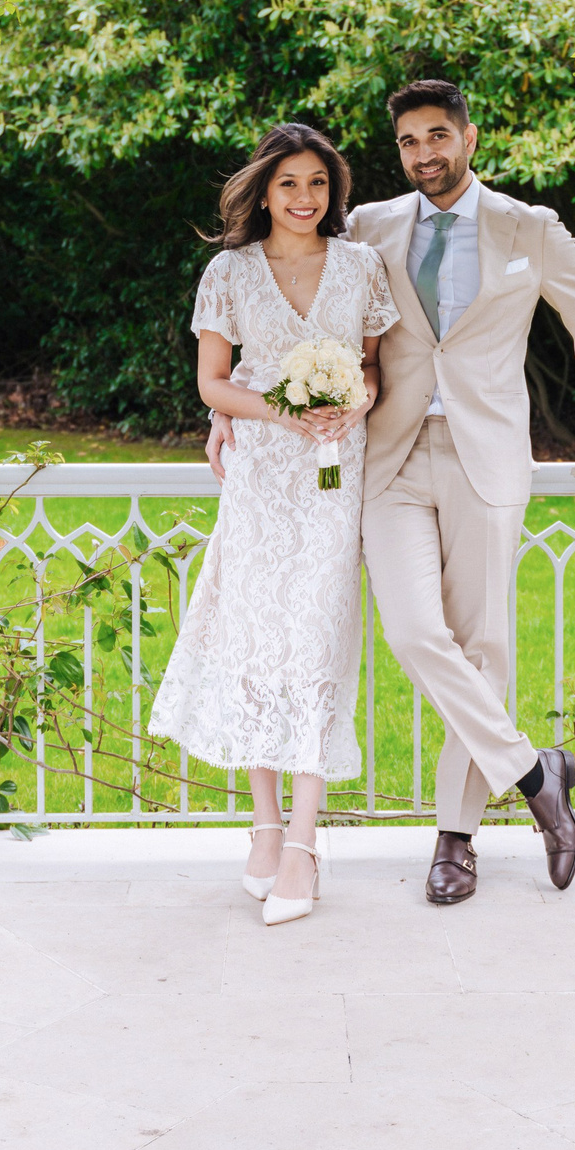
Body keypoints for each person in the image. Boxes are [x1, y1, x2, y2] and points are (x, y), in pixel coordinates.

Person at [210, 79, 575, 905]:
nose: (424, 154)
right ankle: (534, 772)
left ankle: (456, 840)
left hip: (488, 457)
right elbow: (298, 312)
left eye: (438, 136)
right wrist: (236, 417)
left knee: (482, 646)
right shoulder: (368, 228)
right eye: (409, 142)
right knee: (412, 631)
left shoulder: (529, 230)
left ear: (469, 137)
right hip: (390, 456)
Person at [148, 122, 400, 926]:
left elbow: (370, 367)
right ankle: (261, 825)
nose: (304, 198)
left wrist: (352, 400)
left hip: (333, 474)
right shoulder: (229, 272)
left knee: (316, 637)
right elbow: (213, 385)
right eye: (289, 183)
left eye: (318, 184)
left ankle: (304, 843)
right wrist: (283, 413)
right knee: (257, 639)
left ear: (335, 192)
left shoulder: (361, 266)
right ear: (263, 190)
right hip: (261, 472)